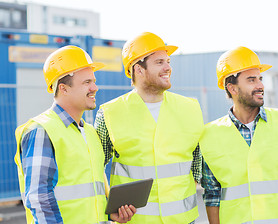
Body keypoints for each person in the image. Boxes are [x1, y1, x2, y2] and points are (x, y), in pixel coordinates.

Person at [14, 45, 136, 224]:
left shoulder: (90, 132)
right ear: (63, 88)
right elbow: (39, 198)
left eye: (93, 81)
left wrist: (110, 214)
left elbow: (90, 194)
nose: (95, 87)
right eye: (87, 82)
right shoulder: (41, 130)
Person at [94, 32, 204, 224]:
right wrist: (108, 207)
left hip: (184, 220)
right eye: (160, 62)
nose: (168, 67)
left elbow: (198, 166)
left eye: (168, 61)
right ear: (139, 69)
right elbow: (94, 168)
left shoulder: (190, 108)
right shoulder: (110, 113)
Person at [199, 46, 278, 224]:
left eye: (260, 78)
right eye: (251, 80)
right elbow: (212, 194)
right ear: (232, 88)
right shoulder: (209, 135)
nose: (260, 85)